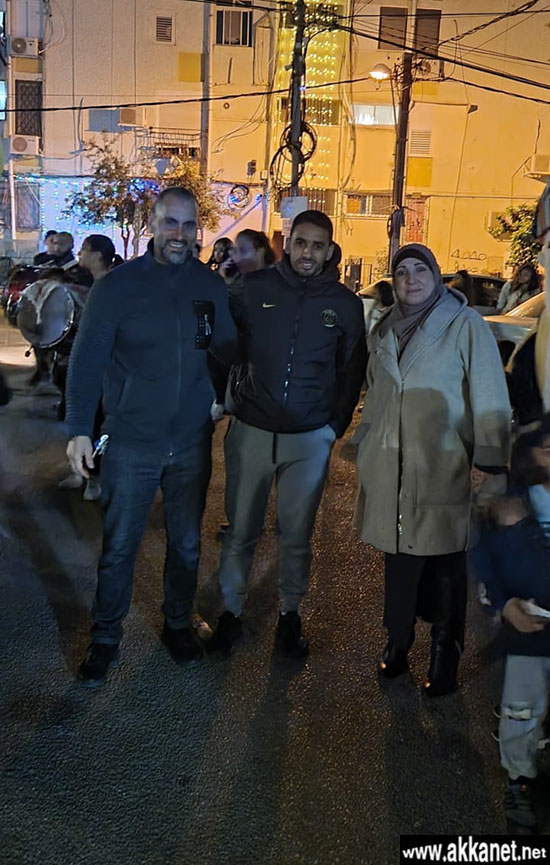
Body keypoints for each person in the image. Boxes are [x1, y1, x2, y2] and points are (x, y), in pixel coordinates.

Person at [65, 187, 237, 687]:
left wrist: (224, 391)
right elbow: (87, 360)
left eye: (188, 225)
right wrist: (79, 429)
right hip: (130, 440)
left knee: (186, 544)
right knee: (120, 546)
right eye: (170, 223)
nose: (179, 234)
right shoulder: (117, 288)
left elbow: (226, 348)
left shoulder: (209, 286)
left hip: (190, 441)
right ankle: (105, 638)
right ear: (152, 225)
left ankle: (177, 624)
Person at [354, 243, 511, 697]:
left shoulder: (465, 325)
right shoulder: (385, 327)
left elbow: (490, 395)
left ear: (436, 276)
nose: (411, 279)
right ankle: (398, 641)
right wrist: (365, 442)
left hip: (444, 463)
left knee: (445, 564)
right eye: (402, 271)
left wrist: (488, 460)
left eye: (420, 270)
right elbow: (374, 391)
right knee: (399, 563)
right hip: (391, 464)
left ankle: (446, 653)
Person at [210, 210, 367, 658]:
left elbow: (352, 368)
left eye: (318, 245)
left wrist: (334, 427)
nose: (308, 253)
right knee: (241, 531)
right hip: (252, 430)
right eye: (300, 243)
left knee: (296, 535)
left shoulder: (345, 304)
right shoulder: (253, 288)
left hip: (309, 438)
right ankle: (230, 612)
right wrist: (225, 397)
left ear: (329, 250)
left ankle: (290, 614)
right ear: (288, 243)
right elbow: (221, 344)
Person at [472, 419, 550, 831]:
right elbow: (487, 567)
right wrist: (505, 607)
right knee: (522, 707)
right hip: (530, 631)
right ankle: (519, 777)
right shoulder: (511, 508)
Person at [58, 235, 124, 500]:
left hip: (105, 370)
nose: (80, 254)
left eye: (84, 250)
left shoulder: (114, 287)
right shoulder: (81, 280)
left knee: (97, 425)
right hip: (79, 361)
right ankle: (79, 471)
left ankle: (94, 478)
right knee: (75, 417)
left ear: (98, 255)